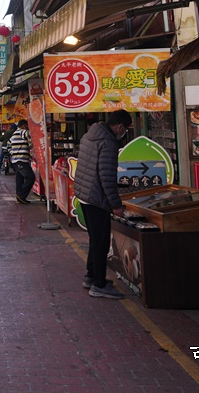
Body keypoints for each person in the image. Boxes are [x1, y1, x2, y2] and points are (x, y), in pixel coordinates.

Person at [74, 109, 132, 299]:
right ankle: (98, 284)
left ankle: (91, 276)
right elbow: (106, 177)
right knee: (100, 242)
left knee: (95, 239)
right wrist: (116, 204)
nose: (124, 133)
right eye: (126, 129)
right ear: (120, 126)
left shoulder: (89, 136)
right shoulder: (108, 142)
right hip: (96, 198)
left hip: (84, 195)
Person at [7, 120, 35, 203]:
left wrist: (13, 153)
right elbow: (31, 134)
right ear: (24, 126)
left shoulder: (14, 134)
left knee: (19, 179)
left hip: (16, 160)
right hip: (21, 160)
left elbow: (8, 145)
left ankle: (20, 197)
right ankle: (21, 195)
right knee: (31, 177)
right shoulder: (22, 132)